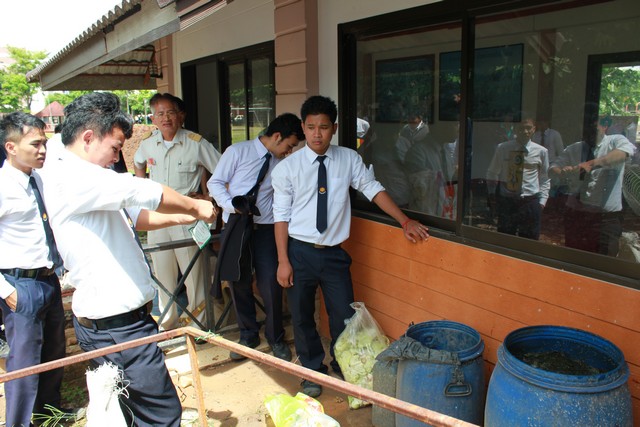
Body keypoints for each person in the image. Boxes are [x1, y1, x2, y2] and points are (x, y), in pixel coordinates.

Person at [39, 92, 217, 426]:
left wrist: (184, 217)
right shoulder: (75, 177)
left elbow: (137, 215)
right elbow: (143, 191)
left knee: (131, 412)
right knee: (162, 414)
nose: (116, 157)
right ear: (88, 137)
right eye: (115, 147)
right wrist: (196, 205)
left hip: (117, 324)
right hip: (117, 327)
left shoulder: (82, 174)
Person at [271, 95, 430, 398]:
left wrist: (405, 220)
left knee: (344, 315)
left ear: (334, 128)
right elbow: (281, 217)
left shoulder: (348, 159)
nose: (317, 134)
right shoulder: (287, 168)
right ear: (303, 128)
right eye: (311, 127)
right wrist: (283, 260)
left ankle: (343, 363)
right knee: (302, 316)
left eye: (324, 127)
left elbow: (373, 189)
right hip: (299, 252)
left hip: (334, 254)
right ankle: (312, 370)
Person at [208, 113, 304, 362]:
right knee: (238, 281)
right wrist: (232, 205)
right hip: (237, 226)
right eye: (289, 145)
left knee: (271, 283)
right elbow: (215, 183)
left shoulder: (283, 164)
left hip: (266, 229)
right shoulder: (237, 152)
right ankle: (248, 335)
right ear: (277, 136)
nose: (289, 151)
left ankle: (275, 337)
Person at [0, 112, 67, 427]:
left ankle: (48, 414)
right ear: (11, 147)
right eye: (35, 144)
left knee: (54, 352)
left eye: (44, 143)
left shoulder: (37, 179)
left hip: (47, 279)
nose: (42, 150)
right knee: (25, 362)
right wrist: (7, 291)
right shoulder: (3, 186)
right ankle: (18, 422)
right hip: (20, 284)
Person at [133, 92, 221, 330]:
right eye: (160, 113)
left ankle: (199, 326)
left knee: (195, 276)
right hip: (158, 218)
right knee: (163, 274)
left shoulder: (195, 143)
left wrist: (209, 197)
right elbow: (138, 163)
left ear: (180, 116)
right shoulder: (148, 143)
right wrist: (142, 189)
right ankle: (168, 323)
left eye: (170, 112)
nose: (166, 118)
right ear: (153, 118)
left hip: (188, 220)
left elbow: (223, 170)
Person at [549, 115, 636, 256]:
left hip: (606, 218)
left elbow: (623, 153)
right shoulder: (574, 148)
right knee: (575, 257)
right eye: (586, 129)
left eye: (594, 128)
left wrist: (592, 163)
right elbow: (552, 168)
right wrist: (562, 172)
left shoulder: (615, 141)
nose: (590, 133)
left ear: (604, 127)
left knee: (605, 260)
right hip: (577, 214)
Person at [486, 115, 550, 240]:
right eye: (521, 128)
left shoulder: (541, 151)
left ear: (534, 129)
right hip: (508, 201)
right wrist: (492, 193)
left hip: (530, 201)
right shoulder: (503, 148)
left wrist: (542, 202)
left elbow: (545, 178)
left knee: (529, 241)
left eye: (528, 128)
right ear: (516, 129)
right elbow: (492, 172)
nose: (525, 131)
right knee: (505, 240)